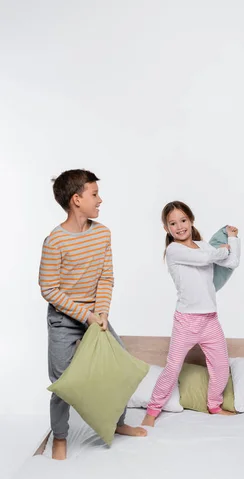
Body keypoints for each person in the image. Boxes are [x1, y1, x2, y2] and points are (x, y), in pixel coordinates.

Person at [39, 169, 147, 460]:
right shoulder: (55, 241)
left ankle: (118, 422)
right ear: (76, 199)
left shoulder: (102, 234)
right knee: (64, 383)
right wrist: (83, 315)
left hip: (95, 315)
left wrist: (99, 314)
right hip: (64, 319)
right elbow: (49, 289)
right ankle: (60, 436)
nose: (100, 200)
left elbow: (105, 278)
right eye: (94, 194)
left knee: (119, 370)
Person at [142, 201, 240, 427]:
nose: (179, 226)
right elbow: (207, 259)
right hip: (186, 321)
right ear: (167, 229)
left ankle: (214, 405)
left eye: (183, 220)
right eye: (173, 223)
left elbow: (232, 261)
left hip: (210, 320)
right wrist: (223, 249)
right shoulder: (174, 250)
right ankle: (152, 410)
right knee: (173, 367)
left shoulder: (203, 246)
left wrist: (233, 238)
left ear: (191, 220)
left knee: (221, 366)